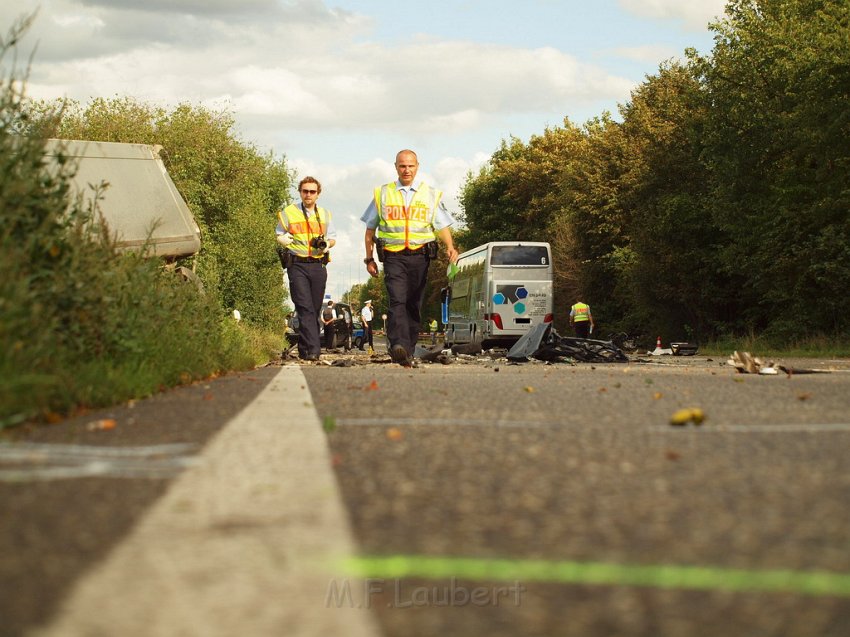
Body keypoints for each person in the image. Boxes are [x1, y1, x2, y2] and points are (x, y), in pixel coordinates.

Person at [361, 149, 458, 366]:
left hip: (420, 257)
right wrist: (369, 259)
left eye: (411, 166)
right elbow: (370, 230)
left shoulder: (430, 194)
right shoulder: (383, 194)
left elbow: (441, 226)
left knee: (414, 303)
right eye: (402, 166)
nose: (407, 170)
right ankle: (399, 346)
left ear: (417, 167)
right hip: (394, 257)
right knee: (397, 299)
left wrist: (450, 247)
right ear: (396, 167)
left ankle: (409, 349)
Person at [275, 176, 336, 361]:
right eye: (305, 191)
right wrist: (281, 239)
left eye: (312, 191)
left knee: (314, 309)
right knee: (304, 307)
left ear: (318, 194)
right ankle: (314, 350)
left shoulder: (325, 214)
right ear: (300, 192)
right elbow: (279, 232)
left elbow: (332, 237)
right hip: (297, 264)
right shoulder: (289, 212)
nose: (308, 195)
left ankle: (304, 348)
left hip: (318, 264)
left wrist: (327, 245)